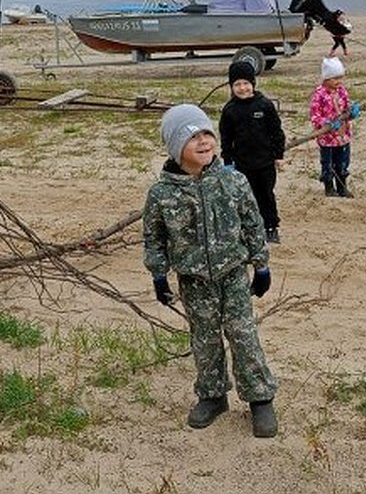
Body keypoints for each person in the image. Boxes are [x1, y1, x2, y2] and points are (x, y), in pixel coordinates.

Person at [144, 104, 278, 438]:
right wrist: (159, 276)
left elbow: (252, 223)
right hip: (193, 283)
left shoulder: (233, 181)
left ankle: (260, 399)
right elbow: (154, 237)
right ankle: (213, 395)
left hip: (233, 276)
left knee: (244, 336)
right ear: (176, 148)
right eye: (193, 137)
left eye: (207, 133)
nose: (204, 142)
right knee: (205, 341)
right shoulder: (161, 194)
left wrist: (261, 265)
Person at [219, 61, 286, 243]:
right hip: (242, 164)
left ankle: (271, 227)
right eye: (237, 84)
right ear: (231, 87)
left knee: (266, 195)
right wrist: (228, 163)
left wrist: (279, 156)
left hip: (265, 163)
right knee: (245, 197)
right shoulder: (229, 110)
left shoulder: (264, 105)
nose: (242, 88)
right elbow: (226, 139)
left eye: (246, 83)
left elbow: (276, 132)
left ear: (253, 84)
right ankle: (247, 229)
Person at [309, 57, 354, 197]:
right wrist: (326, 123)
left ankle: (342, 187)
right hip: (327, 137)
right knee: (328, 163)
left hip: (342, 135)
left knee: (342, 161)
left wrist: (352, 113)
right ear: (326, 78)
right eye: (335, 78)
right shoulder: (319, 95)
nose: (338, 81)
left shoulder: (342, 92)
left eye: (340, 78)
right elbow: (315, 115)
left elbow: (347, 109)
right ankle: (329, 187)